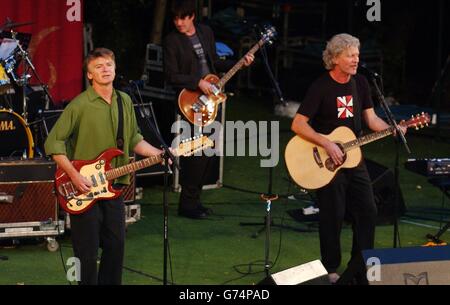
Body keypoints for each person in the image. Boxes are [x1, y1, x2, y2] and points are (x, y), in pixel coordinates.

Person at [291, 33, 406, 284]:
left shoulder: (361, 83)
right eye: (350, 55)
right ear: (335, 58)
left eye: (357, 54)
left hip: (355, 159)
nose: (356, 60)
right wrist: (326, 142)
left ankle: (360, 264)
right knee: (333, 214)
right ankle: (330, 268)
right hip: (327, 161)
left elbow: (371, 119)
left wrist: (393, 128)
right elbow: (298, 124)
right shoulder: (320, 86)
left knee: (368, 210)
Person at [45, 48, 164, 285]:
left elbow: (133, 139)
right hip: (82, 187)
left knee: (116, 245)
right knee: (86, 252)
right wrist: (74, 175)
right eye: (98, 66)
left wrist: (160, 154)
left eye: (109, 64)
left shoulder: (125, 100)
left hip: (114, 186)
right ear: (89, 75)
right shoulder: (80, 105)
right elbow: (53, 143)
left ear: (115, 68)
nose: (105, 69)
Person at [163, 0, 254, 219]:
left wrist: (240, 62)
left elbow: (213, 62)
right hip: (190, 100)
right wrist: (198, 82)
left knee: (209, 151)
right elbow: (172, 75)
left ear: (192, 16)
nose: (179, 23)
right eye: (176, 19)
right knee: (195, 154)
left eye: (183, 18)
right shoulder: (172, 41)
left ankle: (195, 201)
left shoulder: (205, 32)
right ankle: (187, 205)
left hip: (211, 98)